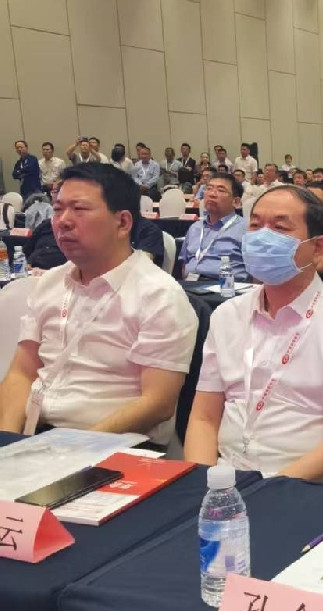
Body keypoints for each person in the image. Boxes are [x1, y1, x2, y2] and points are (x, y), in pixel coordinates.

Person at [183, 185, 323, 488]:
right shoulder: (227, 315)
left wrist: (259, 492)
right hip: (226, 483)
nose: (261, 238)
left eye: (279, 228)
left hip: (310, 488)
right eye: (255, 225)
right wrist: (204, 485)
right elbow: (204, 418)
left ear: (317, 248)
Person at [0, 163, 196, 445]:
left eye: (79, 209)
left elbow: (158, 403)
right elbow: (22, 372)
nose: (63, 221)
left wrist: (74, 449)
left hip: (115, 445)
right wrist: (9, 442)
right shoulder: (50, 283)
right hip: (36, 438)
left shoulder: (159, 295)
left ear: (123, 223)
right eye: (58, 209)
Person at [178, 173, 248, 282]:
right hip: (191, 285)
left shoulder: (246, 229)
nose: (212, 194)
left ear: (236, 202)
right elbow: (184, 263)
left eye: (220, 190)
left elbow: (258, 273)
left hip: (225, 288)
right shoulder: (195, 227)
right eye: (209, 188)